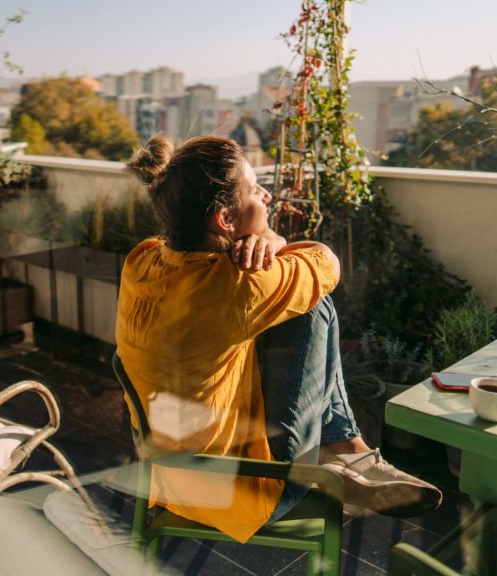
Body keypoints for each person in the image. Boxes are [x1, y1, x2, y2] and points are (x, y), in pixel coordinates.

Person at [116, 134, 441, 544]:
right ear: (224, 220)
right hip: (241, 491)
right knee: (313, 306)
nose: (266, 195)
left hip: (167, 478)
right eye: (255, 190)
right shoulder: (239, 286)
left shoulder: (142, 259)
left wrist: (266, 240)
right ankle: (344, 451)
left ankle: (346, 451)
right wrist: (273, 242)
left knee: (286, 309)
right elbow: (327, 264)